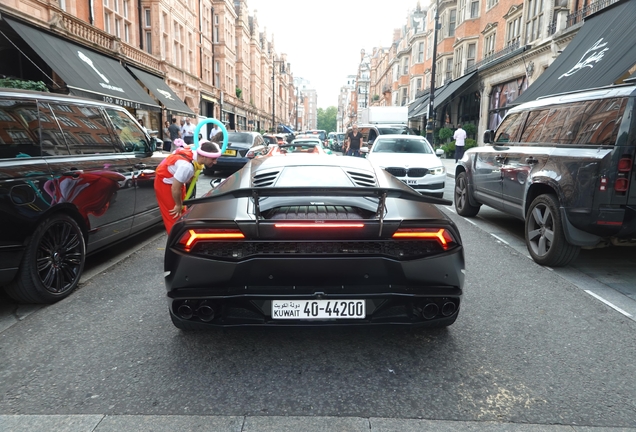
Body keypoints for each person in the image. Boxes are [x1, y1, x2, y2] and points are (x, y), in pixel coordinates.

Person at [154, 140, 220, 233]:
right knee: (174, 216)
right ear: (203, 156)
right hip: (165, 184)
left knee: (182, 212)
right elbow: (175, 188)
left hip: (176, 182)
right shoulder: (186, 167)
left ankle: (185, 236)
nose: (215, 162)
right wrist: (177, 204)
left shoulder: (194, 152)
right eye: (213, 159)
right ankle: (177, 240)